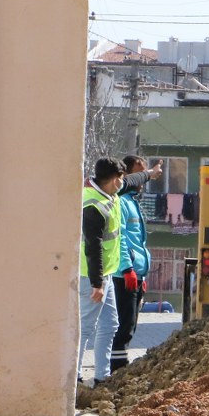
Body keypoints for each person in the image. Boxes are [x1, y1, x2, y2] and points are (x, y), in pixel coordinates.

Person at [78, 158, 125, 386]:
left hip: (105, 275)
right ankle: (74, 379)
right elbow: (92, 247)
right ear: (115, 180)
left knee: (110, 324)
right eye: (122, 179)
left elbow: (135, 179)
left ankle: (102, 377)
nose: (123, 183)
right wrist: (97, 283)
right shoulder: (93, 206)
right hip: (91, 277)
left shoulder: (108, 195)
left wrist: (149, 173)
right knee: (85, 328)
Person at [109, 156, 153, 373]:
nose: (141, 181)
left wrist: (141, 275)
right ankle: (116, 368)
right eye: (139, 174)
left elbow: (138, 242)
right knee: (123, 326)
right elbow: (122, 238)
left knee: (130, 325)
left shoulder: (132, 202)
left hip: (135, 273)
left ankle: (118, 366)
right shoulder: (122, 203)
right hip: (124, 275)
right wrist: (128, 269)